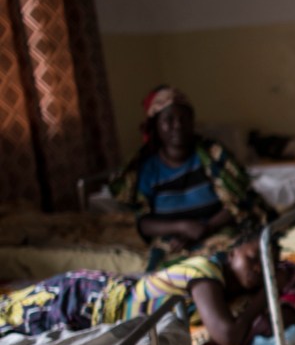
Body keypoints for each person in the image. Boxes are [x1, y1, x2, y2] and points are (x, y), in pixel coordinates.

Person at [1, 227, 272, 345]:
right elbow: (228, 336)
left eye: (265, 265)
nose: (258, 268)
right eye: (252, 258)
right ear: (233, 252)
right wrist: (266, 295)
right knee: (9, 315)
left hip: (101, 295)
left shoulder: (220, 284)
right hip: (87, 298)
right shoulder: (204, 271)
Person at [109, 86, 275, 270]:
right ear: (156, 126)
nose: (178, 125)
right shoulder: (148, 168)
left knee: (237, 259)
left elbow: (238, 201)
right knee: (167, 271)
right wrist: (182, 227)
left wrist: (206, 227)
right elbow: (143, 222)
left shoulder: (211, 155)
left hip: (217, 227)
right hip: (173, 237)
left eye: (184, 118)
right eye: (169, 120)